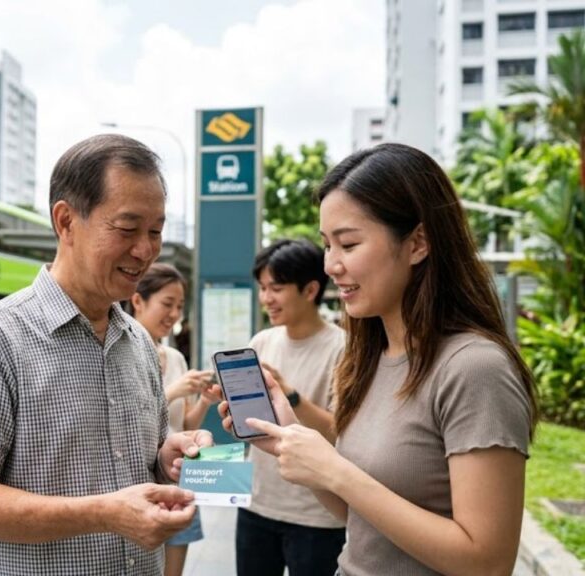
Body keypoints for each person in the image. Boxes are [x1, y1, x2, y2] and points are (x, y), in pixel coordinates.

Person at [219, 143, 537, 575]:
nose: (331, 264)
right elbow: (360, 519)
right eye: (327, 244)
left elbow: (487, 562)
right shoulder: (366, 358)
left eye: (347, 243)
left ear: (418, 243)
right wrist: (290, 442)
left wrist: (337, 471)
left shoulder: (474, 368)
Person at [0, 134, 214, 575]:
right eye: (127, 229)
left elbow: (143, 461)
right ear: (65, 221)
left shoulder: (137, 341)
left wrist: (165, 457)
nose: (145, 250)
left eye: (156, 231)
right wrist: (103, 512)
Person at [235, 239, 346, 576]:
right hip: (257, 505)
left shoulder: (344, 349)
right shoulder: (261, 342)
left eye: (277, 288)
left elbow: (342, 433)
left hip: (317, 516)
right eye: (263, 288)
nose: (266, 298)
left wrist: (290, 395)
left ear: (310, 289)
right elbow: (252, 424)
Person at [127, 263, 218, 576]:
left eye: (179, 306)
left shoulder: (176, 357)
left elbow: (186, 426)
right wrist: (175, 390)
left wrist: (204, 400)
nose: (174, 314)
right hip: (139, 482)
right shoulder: (121, 354)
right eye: (167, 304)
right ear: (138, 301)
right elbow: (126, 416)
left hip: (180, 479)